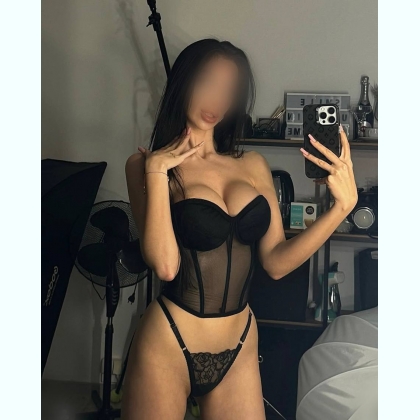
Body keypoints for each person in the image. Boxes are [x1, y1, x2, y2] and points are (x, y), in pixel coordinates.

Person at [122, 38, 357, 420]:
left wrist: (341, 208)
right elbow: (164, 266)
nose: (217, 98)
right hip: (169, 340)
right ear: (183, 81)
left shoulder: (252, 164)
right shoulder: (145, 165)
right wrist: (157, 170)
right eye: (208, 81)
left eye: (229, 89)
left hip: (241, 340)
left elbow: (276, 262)